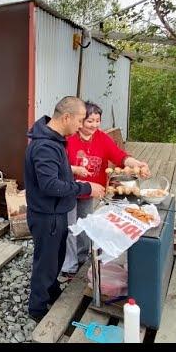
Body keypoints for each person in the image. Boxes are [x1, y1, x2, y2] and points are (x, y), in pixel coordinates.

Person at [24, 96, 104, 322]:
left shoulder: (53, 140)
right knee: (46, 263)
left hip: (56, 213)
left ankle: (51, 291)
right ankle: (37, 309)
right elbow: (49, 185)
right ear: (66, 117)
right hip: (47, 215)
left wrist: (71, 170)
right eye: (80, 120)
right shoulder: (45, 146)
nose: (81, 126)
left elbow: (53, 172)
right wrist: (86, 186)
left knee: (56, 258)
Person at [60, 101, 150, 279]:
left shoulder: (102, 138)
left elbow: (120, 157)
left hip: (90, 192)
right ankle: (69, 266)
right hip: (69, 189)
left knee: (86, 225)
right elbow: (59, 165)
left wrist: (137, 164)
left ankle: (82, 257)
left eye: (97, 121)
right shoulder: (68, 139)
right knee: (70, 227)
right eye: (89, 121)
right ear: (80, 121)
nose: (94, 125)